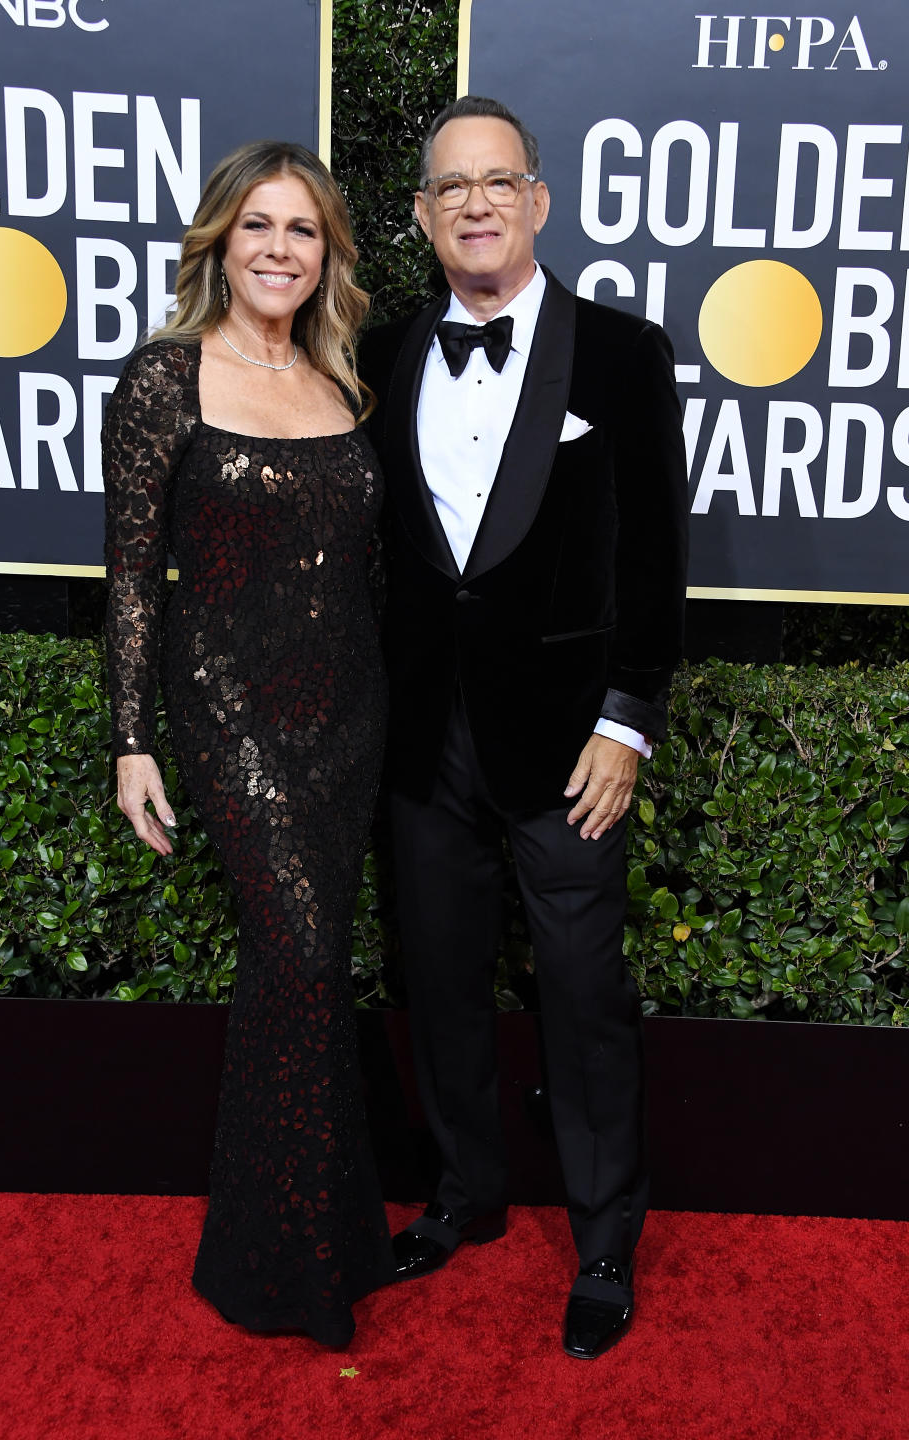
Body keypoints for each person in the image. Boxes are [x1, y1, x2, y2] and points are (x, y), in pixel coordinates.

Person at [361, 96, 688, 1359]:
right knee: (437, 979)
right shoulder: (384, 352)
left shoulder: (621, 353)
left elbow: (657, 554)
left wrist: (630, 718)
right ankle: (464, 1195)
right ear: (427, 215)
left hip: (568, 749)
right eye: (453, 188)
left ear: (540, 202)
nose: (478, 204)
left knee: (583, 994)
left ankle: (604, 1239)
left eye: (501, 183)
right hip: (422, 736)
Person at [103, 140, 394, 1348]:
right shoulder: (166, 379)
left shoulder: (344, 382)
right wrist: (132, 738)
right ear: (221, 241)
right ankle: (282, 1263)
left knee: (300, 976)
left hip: (351, 719)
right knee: (308, 963)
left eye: (304, 230)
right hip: (233, 718)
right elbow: (131, 579)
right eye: (259, 226)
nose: (281, 249)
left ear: (327, 254)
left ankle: (314, 1230)